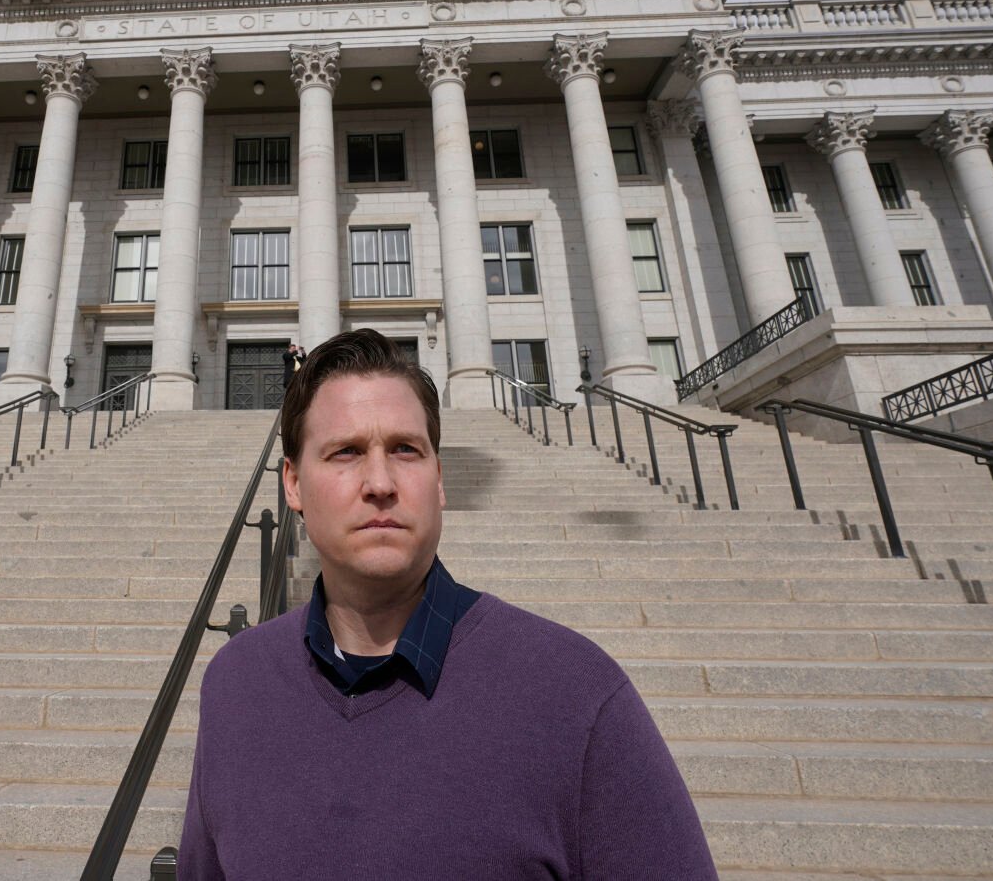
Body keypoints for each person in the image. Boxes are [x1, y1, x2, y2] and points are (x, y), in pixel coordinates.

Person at [179, 329, 717, 880]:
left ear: (439, 479)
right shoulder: (235, 684)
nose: (380, 483)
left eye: (406, 450)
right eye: (346, 452)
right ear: (292, 484)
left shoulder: (576, 695)